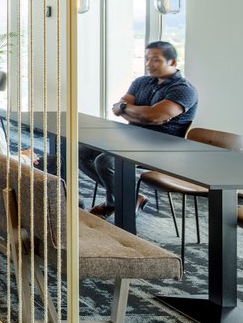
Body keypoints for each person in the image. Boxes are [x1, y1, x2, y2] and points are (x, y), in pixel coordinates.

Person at [83, 40, 200, 216]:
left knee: (105, 162)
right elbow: (118, 108)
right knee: (80, 152)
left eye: (155, 60)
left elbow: (153, 116)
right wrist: (137, 112)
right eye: (146, 59)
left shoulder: (184, 89)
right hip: (131, 139)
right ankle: (131, 197)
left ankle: (114, 203)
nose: (148, 64)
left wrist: (134, 112)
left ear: (173, 62)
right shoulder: (141, 82)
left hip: (161, 147)